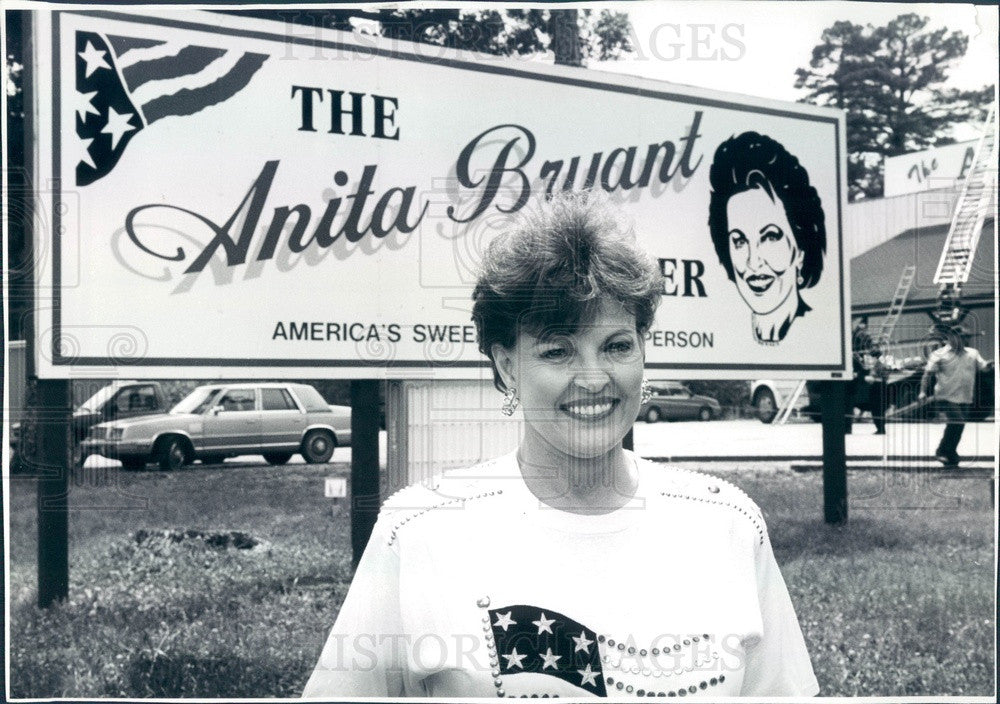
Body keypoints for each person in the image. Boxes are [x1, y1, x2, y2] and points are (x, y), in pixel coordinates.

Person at [303, 194, 819, 698]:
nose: (593, 377)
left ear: (643, 350)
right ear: (507, 367)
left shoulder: (727, 523)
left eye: (616, 346)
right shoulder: (418, 530)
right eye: (558, 350)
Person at [707, 132, 826, 345]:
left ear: (800, 250)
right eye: (739, 241)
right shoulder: (728, 338)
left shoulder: (817, 338)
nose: (754, 263)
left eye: (770, 237)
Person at [919, 324, 992, 466]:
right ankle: (942, 451)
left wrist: (989, 366)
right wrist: (922, 392)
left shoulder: (973, 353)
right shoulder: (939, 354)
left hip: (965, 396)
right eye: (962, 337)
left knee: (958, 425)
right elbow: (927, 374)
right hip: (945, 396)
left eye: (966, 338)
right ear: (951, 338)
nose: (964, 340)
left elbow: (983, 368)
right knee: (957, 422)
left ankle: (950, 453)